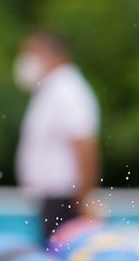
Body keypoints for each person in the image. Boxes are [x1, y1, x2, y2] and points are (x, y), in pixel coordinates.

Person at [15, 30, 100, 242]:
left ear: (51, 54)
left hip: (66, 201)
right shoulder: (51, 91)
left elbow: (84, 145)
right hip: (54, 200)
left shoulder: (67, 90)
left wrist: (83, 200)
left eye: (30, 53)